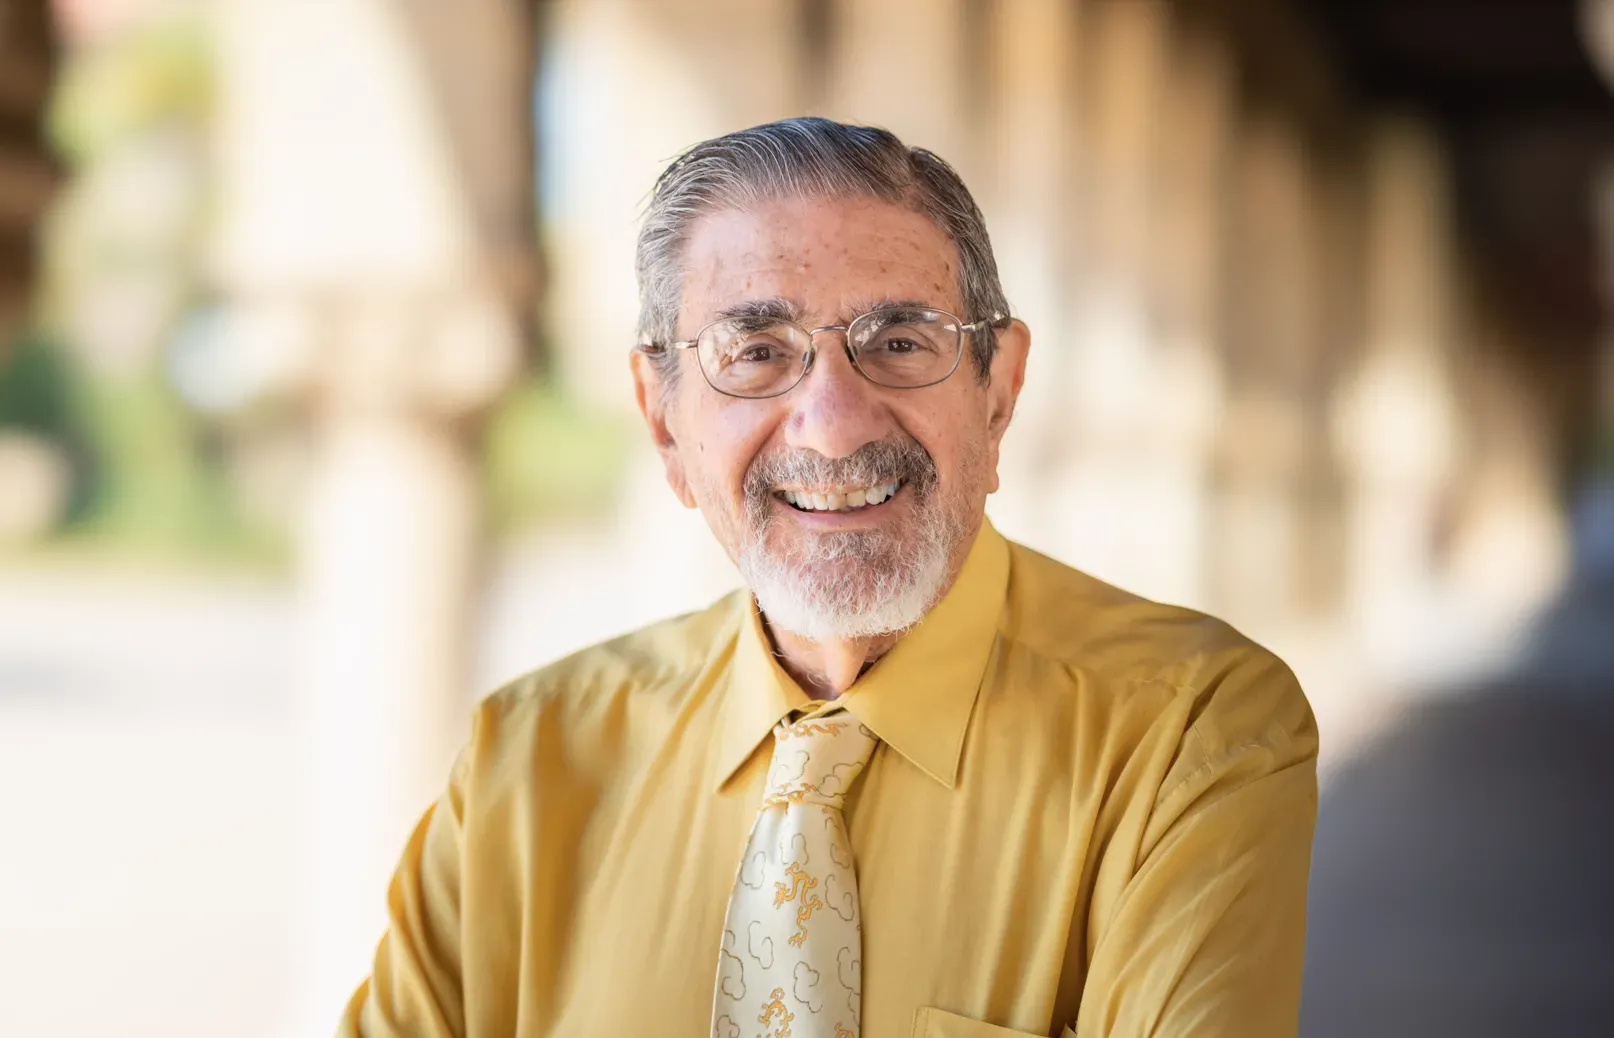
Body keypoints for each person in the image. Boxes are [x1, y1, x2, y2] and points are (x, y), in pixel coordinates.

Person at [336, 117, 1318, 1038]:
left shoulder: (1189, 732)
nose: (836, 423)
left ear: (1001, 389)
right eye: (755, 353)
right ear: (662, 416)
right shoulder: (526, 762)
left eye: (899, 342)